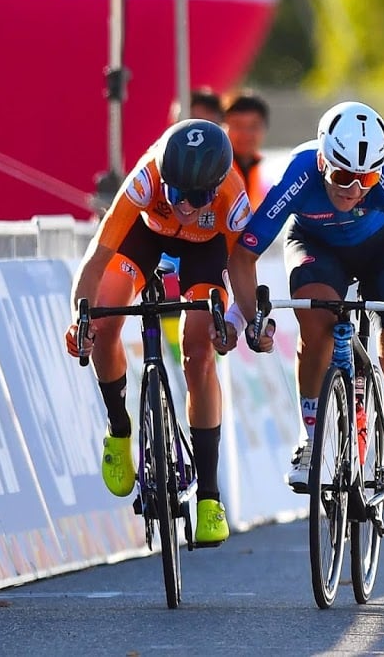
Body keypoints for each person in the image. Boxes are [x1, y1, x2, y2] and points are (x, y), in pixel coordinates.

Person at [224, 101, 384, 545]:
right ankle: (311, 437)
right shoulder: (300, 173)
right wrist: (251, 318)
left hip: (383, 255)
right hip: (316, 248)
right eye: (343, 176)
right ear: (324, 160)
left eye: (368, 179)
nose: (355, 189)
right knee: (316, 320)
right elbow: (243, 256)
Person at [65, 119, 251, 546]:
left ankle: (208, 497)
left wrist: (243, 321)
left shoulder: (233, 196)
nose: (186, 206)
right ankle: (119, 428)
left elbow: (244, 268)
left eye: (199, 197)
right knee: (106, 319)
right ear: (164, 178)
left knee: (199, 354)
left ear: (218, 186)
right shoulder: (146, 178)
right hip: (144, 237)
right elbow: (97, 258)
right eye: (178, 194)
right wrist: (81, 319)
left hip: (206, 250)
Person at [223, 90, 271, 210]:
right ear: (223, 127)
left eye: (253, 126)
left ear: (265, 129)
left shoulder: (268, 171)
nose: (245, 134)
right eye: (237, 125)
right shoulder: (214, 169)